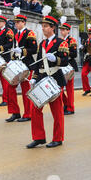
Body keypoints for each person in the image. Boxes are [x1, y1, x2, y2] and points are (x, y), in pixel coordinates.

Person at [26, 9, 69, 149]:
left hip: (55, 78)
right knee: (35, 107)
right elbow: (38, 63)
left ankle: (58, 138)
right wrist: (34, 78)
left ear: (52, 28)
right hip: (43, 78)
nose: (43, 28)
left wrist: (55, 59)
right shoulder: (42, 44)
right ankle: (39, 137)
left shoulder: (61, 42)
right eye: (42, 26)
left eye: (46, 26)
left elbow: (65, 61)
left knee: (56, 111)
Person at [5, 8, 38, 122]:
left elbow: (34, 49)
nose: (17, 24)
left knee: (25, 89)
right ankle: (15, 112)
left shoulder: (29, 33)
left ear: (24, 22)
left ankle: (28, 113)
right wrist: (12, 59)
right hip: (17, 64)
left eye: (19, 22)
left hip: (26, 64)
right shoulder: (14, 34)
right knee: (10, 88)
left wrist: (23, 51)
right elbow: (14, 49)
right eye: (15, 23)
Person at [60, 22, 78, 115]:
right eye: (61, 30)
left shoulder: (72, 40)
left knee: (69, 89)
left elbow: (74, 54)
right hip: (62, 65)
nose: (61, 31)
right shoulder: (60, 40)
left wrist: (65, 53)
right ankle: (66, 104)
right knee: (60, 88)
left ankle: (71, 108)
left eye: (63, 30)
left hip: (69, 65)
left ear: (68, 30)